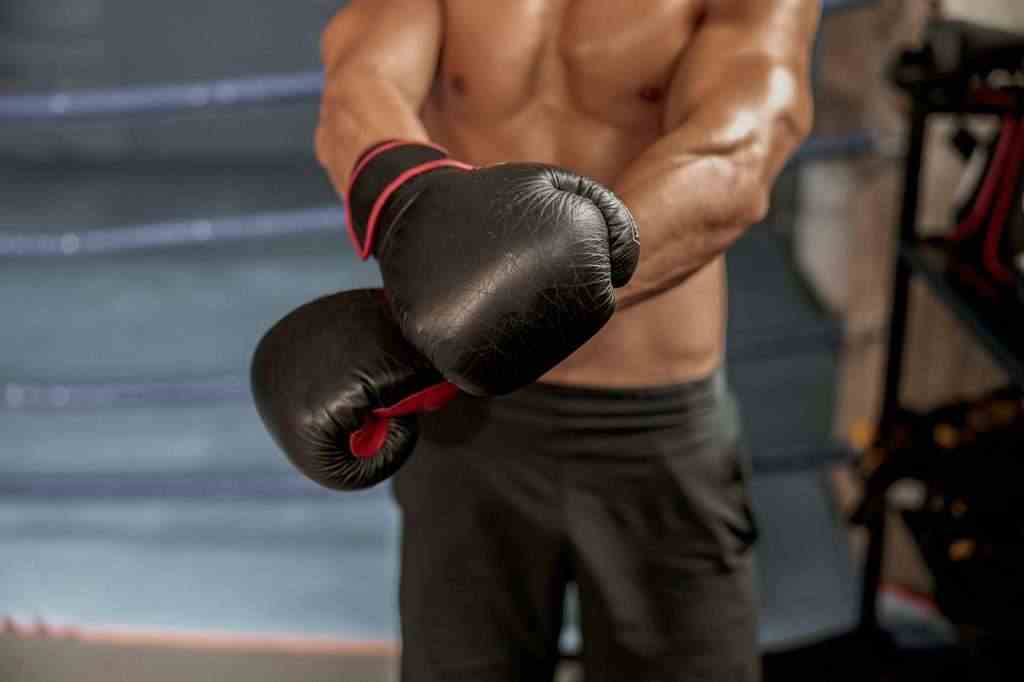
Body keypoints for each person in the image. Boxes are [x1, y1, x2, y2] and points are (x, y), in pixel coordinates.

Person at [261, 1, 818, 680]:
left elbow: (739, 150)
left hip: (650, 426)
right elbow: (360, 82)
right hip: (467, 420)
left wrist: (540, 291)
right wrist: (405, 197)